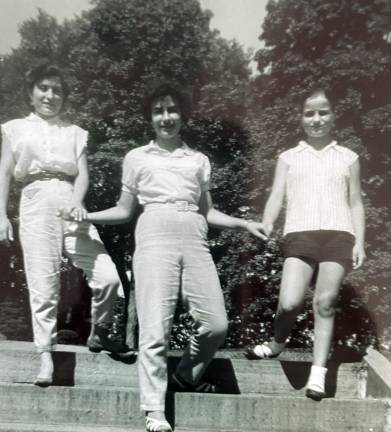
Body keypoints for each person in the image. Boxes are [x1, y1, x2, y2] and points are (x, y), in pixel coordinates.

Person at [60, 82, 267, 432]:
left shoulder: (198, 160)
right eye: (159, 111)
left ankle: (186, 375)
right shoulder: (137, 158)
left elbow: (209, 212)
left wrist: (244, 223)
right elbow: (125, 211)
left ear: (183, 115)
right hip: (153, 231)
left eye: (172, 110)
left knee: (216, 323)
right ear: (151, 117)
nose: (166, 117)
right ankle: (155, 410)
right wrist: (87, 215)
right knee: (155, 326)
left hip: (194, 234)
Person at [0, 63, 132, 387]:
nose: (50, 95)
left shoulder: (75, 132)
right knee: (44, 285)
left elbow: (83, 174)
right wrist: (1, 214)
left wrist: (76, 200)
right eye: (44, 88)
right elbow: (4, 172)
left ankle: (99, 331)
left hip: (70, 201)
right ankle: (45, 354)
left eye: (57, 90)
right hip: (34, 200)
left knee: (108, 277)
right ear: (31, 93)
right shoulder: (14, 129)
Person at [245, 88, 366, 401]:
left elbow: (355, 203)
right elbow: (276, 195)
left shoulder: (348, 158)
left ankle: (318, 375)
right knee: (289, 303)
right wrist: (268, 222)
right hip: (300, 233)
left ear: (333, 115)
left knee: (324, 303)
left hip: (339, 234)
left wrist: (360, 242)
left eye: (323, 112)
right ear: (301, 118)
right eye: (310, 113)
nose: (317, 119)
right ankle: (277, 343)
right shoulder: (288, 158)